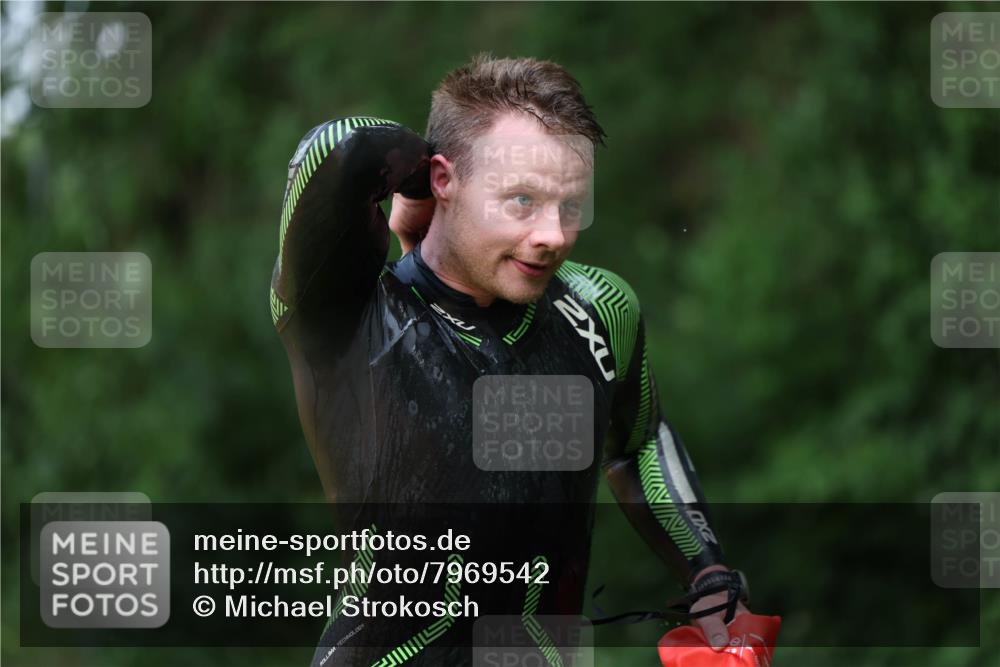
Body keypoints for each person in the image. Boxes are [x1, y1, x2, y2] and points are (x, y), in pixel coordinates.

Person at [271, 54, 749, 667]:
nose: (554, 233)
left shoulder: (598, 308)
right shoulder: (351, 316)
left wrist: (708, 574)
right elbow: (340, 148)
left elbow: (638, 441)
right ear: (443, 180)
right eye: (522, 200)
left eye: (570, 206)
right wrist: (415, 182)